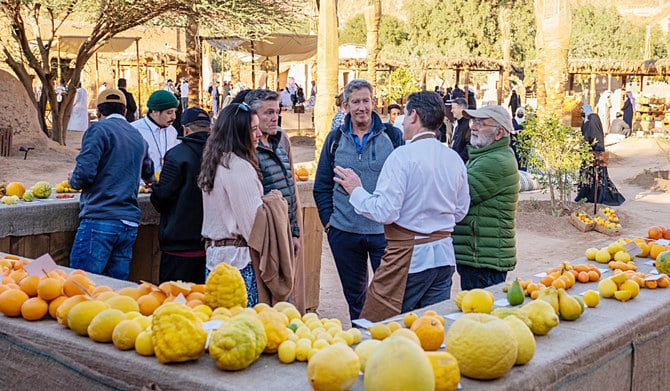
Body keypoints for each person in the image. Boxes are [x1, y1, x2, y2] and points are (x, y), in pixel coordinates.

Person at [333, 91, 469, 321]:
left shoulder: (402, 157)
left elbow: (386, 211)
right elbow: (460, 211)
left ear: (414, 116)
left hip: (409, 259)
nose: (402, 122)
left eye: (405, 115)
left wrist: (355, 190)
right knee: (431, 327)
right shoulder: (453, 158)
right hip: (444, 257)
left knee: (388, 326)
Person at [313, 79, 403, 321]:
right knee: (355, 299)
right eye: (356, 102)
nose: (361, 107)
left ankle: (388, 347)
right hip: (344, 232)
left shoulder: (393, 137)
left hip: (383, 232)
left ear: (374, 103)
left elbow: (405, 183)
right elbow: (321, 185)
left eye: (366, 101)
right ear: (346, 106)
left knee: (389, 297)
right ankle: (361, 348)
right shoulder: (334, 141)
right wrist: (329, 224)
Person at [68, 89, 154, 280]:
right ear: (124, 111)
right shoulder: (137, 135)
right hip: (129, 224)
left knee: (82, 288)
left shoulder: (98, 130)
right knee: (114, 293)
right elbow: (149, 174)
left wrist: (72, 180)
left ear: (98, 112)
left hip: (100, 219)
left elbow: (83, 174)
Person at [245, 89, 305, 310]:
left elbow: (290, 191)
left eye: (276, 112)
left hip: (286, 235)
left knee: (283, 300)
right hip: (266, 240)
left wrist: (295, 232)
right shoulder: (248, 150)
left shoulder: (280, 142)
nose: (274, 118)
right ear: (252, 116)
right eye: (268, 113)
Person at [199, 103, 264, 305]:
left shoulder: (215, 161)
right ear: (239, 133)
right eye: (253, 129)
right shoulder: (239, 167)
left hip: (215, 260)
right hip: (239, 263)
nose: (259, 134)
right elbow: (253, 227)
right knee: (242, 329)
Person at [453, 105, 520, 290]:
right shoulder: (486, 156)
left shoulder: (494, 161)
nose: (473, 127)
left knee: (480, 315)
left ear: (499, 133)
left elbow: (457, 197)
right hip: (480, 255)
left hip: (483, 259)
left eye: (481, 123)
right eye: (474, 121)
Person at [150, 107, 211, 284]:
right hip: (210, 246)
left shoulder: (177, 155)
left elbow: (162, 198)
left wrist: (154, 188)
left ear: (185, 129)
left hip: (179, 245)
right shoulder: (221, 154)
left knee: (174, 302)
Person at [575, 104, 626, 206]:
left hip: (596, 150)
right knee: (588, 173)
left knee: (597, 174)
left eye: (583, 110)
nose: (582, 112)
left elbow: (592, 134)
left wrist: (587, 143)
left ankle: (598, 195)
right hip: (588, 150)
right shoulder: (586, 120)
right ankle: (588, 195)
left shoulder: (593, 118)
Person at [132, 90, 180, 177]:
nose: (174, 117)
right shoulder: (135, 130)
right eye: (169, 112)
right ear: (155, 111)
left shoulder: (172, 131)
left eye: (174, 112)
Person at [450, 97, 470, 163]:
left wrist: (456, 160)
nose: (451, 110)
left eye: (453, 108)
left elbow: (468, 147)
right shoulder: (457, 124)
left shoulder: (469, 125)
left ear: (461, 109)